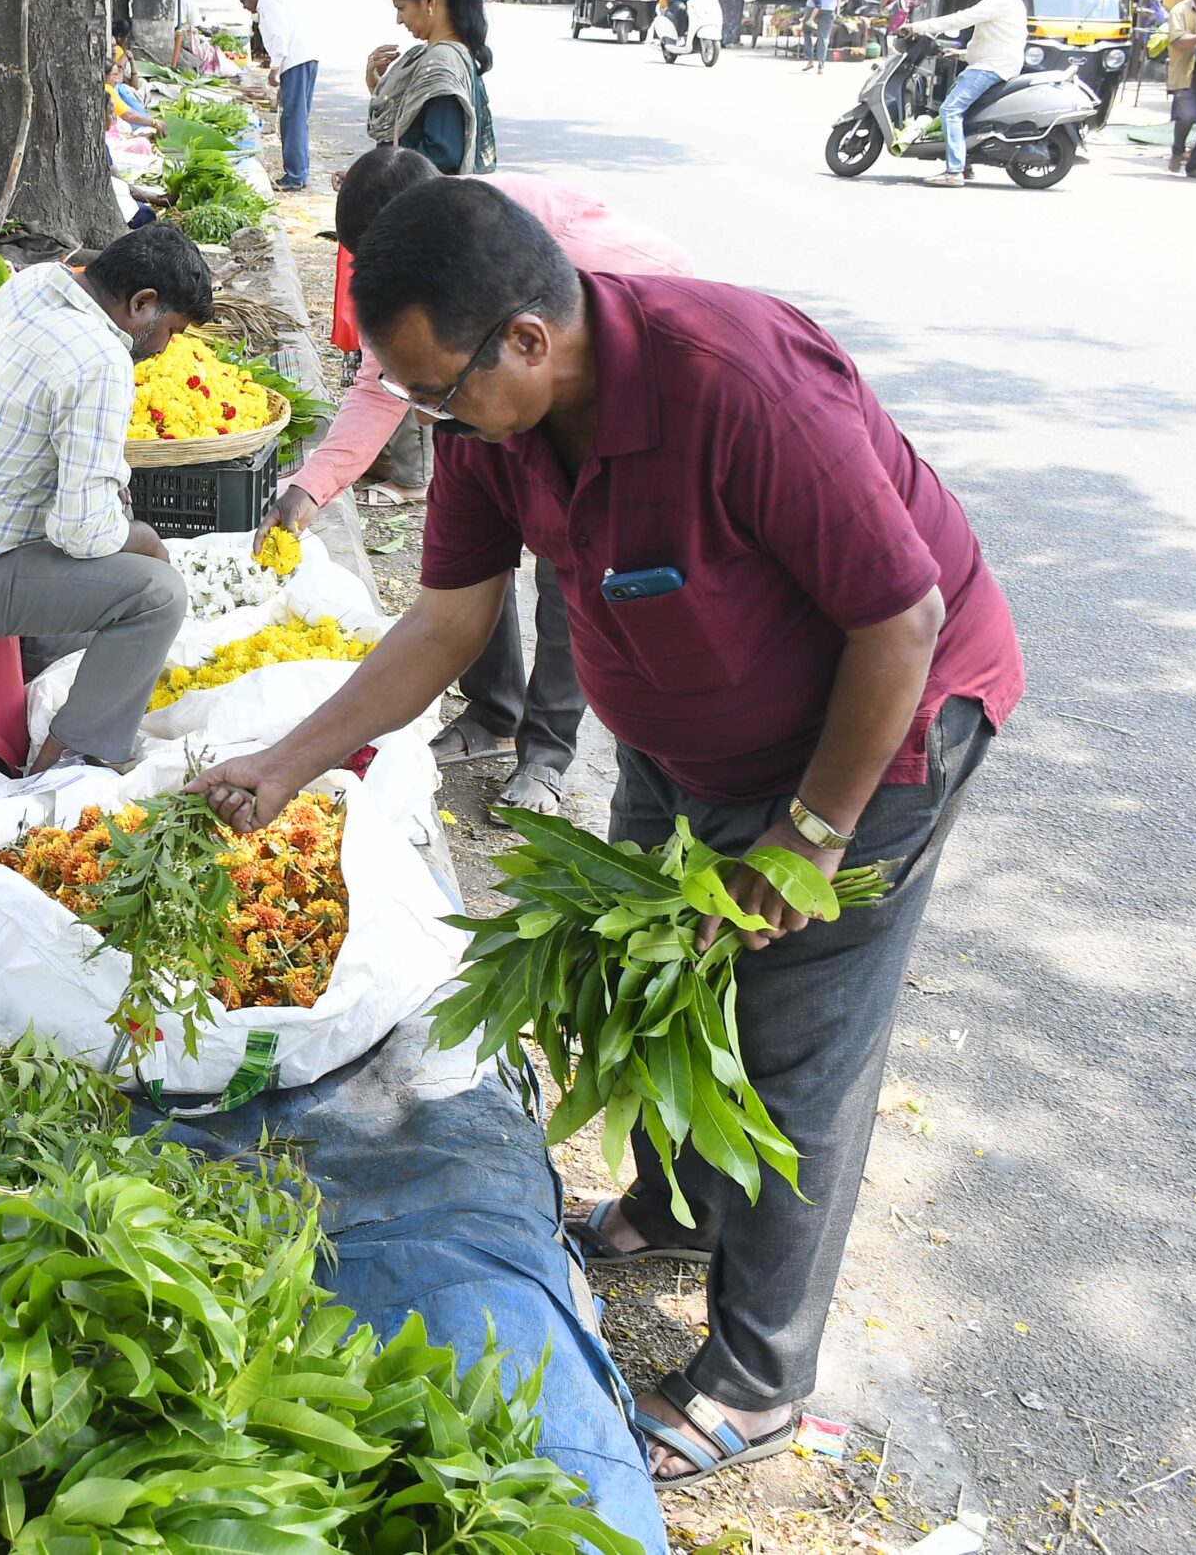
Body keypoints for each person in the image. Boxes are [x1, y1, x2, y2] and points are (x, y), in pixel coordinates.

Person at [195, 178, 1021, 1490]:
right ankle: (673, 1210)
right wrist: (286, 763)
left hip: (869, 743)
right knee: (657, 978)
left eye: (439, 389)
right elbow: (449, 621)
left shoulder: (732, 382)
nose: (426, 420)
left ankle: (756, 1377)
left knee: (793, 1049)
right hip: (690, 741)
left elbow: (899, 622)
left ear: (526, 338)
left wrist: (806, 839)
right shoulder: (490, 424)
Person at [280, 144, 693, 814]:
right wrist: (313, 483)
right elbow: (379, 384)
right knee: (470, 550)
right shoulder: (431, 310)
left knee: (571, 568)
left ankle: (548, 752)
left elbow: (671, 290)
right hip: (492, 390)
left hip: (593, 402)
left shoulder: (545, 250)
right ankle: (491, 715)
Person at [0, 225, 214, 773]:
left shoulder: (36, 282)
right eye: (170, 330)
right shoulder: (101, 359)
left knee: (116, 526)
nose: (164, 347)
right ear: (142, 304)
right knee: (158, 594)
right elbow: (82, 533)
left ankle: (52, 689)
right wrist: (148, 542)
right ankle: (66, 763)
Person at [364, 0, 498, 176]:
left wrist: (379, 178)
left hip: (426, 203)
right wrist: (376, 85)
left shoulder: (442, 62)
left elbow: (442, 153)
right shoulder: (448, 54)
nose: (399, 19)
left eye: (401, 8)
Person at [903, 0, 1027, 188]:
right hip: (996, 63)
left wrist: (916, 26)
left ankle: (954, 172)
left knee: (950, 109)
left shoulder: (999, 0)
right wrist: (960, 54)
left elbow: (961, 18)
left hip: (991, 66)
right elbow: (994, 39)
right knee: (962, 111)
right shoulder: (1008, 0)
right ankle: (965, 164)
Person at [234, 0, 319, 190]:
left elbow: (279, 36)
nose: (244, 6)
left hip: (294, 60)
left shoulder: (267, 2)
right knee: (296, 116)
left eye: (244, 0)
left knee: (292, 119)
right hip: (302, 59)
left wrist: (274, 69)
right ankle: (299, 171)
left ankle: (295, 175)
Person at [1169, 0, 1196, 178]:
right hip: (1189, 72)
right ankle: (1178, 150)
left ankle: (1193, 166)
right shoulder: (1180, 11)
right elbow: (1177, 42)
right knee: (1186, 116)